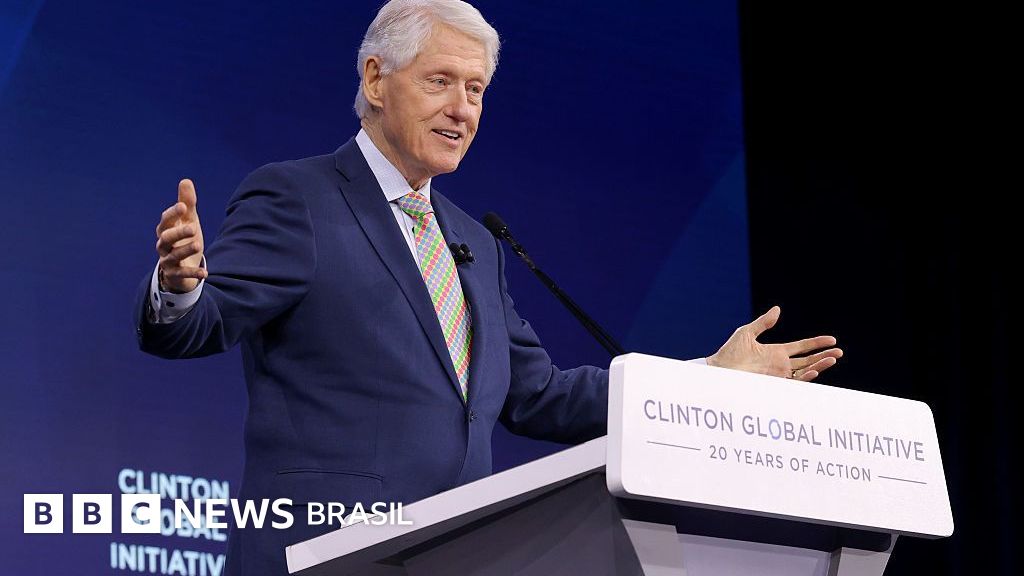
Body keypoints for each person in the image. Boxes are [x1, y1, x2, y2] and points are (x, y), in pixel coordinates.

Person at [135, 1, 842, 573]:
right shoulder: (299, 197)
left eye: (476, 90)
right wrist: (180, 284)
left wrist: (707, 380)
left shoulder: (473, 242)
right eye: (440, 81)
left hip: (457, 555)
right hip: (324, 553)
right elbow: (196, 325)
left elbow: (541, 396)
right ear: (376, 80)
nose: (463, 109)